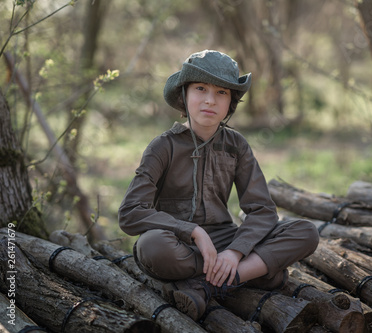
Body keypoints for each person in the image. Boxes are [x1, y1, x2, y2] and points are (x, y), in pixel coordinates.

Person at [118, 50, 319, 321]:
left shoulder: (236, 145)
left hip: (225, 241)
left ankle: (212, 282)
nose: (210, 100)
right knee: (151, 246)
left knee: (305, 231)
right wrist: (192, 231)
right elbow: (130, 212)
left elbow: (262, 210)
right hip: (178, 245)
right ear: (184, 94)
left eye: (222, 92)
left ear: (231, 102)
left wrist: (235, 252)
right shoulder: (163, 146)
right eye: (201, 89)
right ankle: (251, 273)